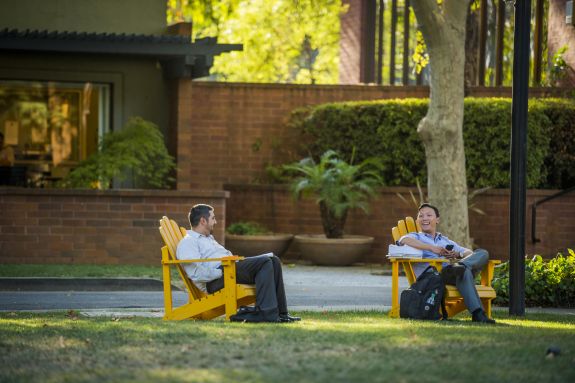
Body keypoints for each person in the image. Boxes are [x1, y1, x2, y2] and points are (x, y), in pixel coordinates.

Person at [176, 204, 301, 323]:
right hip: (216, 279)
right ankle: (265, 313)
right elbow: (196, 273)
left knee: (274, 261)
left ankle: (281, 314)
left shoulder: (208, 239)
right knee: (264, 262)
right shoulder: (188, 242)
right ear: (203, 221)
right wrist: (221, 271)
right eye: (213, 218)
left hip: (229, 269)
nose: (215, 222)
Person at [398, 203, 496, 324]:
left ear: (437, 220)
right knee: (464, 272)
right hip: (436, 277)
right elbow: (402, 240)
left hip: (454, 272)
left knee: (482, 253)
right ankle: (478, 314)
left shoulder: (444, 240)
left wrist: (456, 255)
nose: (424, 218)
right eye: (421, 216)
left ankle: (462, 266)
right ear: (417, 220)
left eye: (429, 215)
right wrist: (431, 248)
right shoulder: (416, 236)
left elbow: (468, 252)